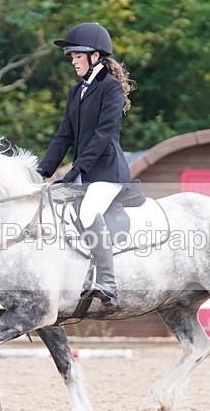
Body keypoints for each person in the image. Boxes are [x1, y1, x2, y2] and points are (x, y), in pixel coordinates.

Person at [36, 22, 136, 308]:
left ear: (95, 55)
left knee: (89, 209)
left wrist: (75, 169)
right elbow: (64, 135)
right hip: (84, 171)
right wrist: (42, 171)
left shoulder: (111, 88)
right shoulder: (76, 91)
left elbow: (104, 135)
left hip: (107, 172)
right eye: (71, 57)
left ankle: (107, 282)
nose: (73, 61)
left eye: (77, 56)